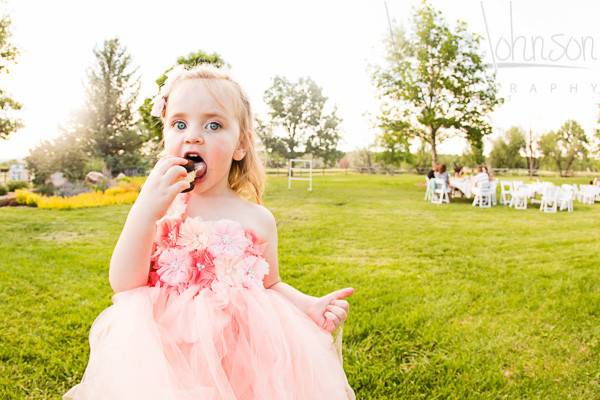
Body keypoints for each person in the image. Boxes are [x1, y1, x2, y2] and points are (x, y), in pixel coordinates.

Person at [63, 65, 356, 399]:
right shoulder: (162, 210)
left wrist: (308, 306)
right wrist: (145, 210)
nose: (193, 135)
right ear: (166, 136)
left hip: (244, 357)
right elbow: (124, 283)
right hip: (169, 353)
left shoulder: (258, 218)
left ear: (240, 146)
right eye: (179, 124)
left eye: (213, 124)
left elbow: (271, 283)